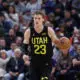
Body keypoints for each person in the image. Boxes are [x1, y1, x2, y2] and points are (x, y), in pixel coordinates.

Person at [22, 11, 70, 80]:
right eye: (35, 18)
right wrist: (25, 54)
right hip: (34, 62)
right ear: (33, 19)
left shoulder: (48, 30)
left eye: (39, 18)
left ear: (43, 19)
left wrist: (62, 43)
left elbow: (55, 41)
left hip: (46, 62)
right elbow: (25, 44)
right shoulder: (29, 31)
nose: (36, 20)